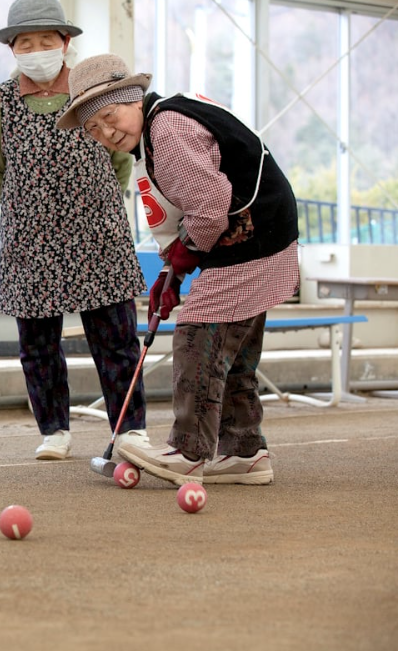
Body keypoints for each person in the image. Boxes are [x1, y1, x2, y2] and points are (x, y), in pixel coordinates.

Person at [58, 54, 300, 485]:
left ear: (132, 100)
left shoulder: (166, 130)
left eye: (110, 116)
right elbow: (191, 215)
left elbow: (208, 212)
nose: (107, 132)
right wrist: (171, 273)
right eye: (93, 128)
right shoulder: (154, 135)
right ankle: (245, 451)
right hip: (264, 235)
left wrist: (182, 263)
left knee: (199, 335)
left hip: (253, 237)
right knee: (234, 349)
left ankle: (188, 451)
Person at [0, 0, 150, 461]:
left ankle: (130, 428)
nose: (36, 50)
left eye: (46, 41)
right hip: (29, 241)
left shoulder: (90, 91)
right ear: (13, 49)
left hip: (99, 235)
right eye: (26, 43)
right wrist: (32, 211)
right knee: (37, 345)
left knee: (115, 339)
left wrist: (93, 206)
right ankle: (54, 429)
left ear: (65, 42)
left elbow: (121, 157)